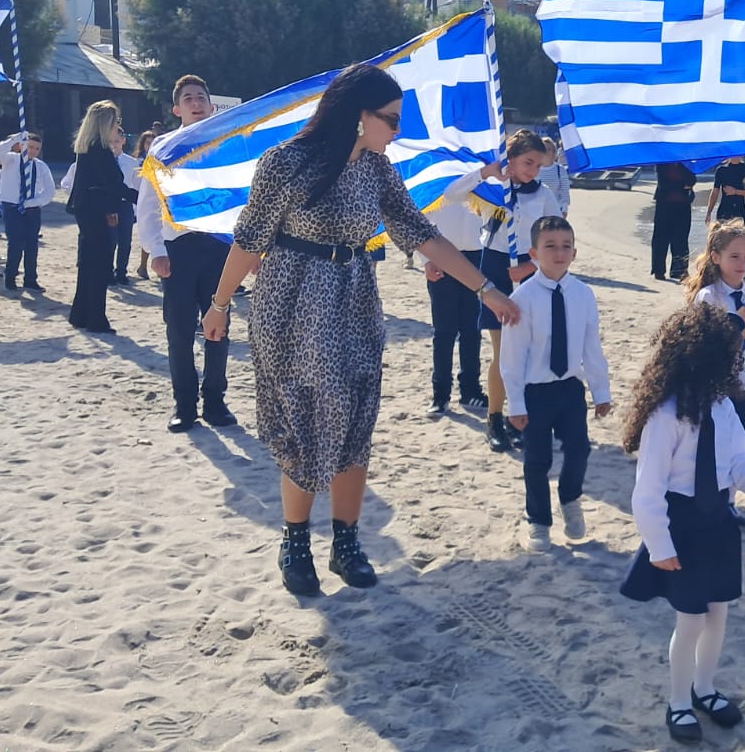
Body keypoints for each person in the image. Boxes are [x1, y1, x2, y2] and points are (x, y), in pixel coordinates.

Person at [200, 63, 520, 596]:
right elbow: (250, 238)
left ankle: (346, 541)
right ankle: (296, 540)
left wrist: (485, 289)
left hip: (354, 300)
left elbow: (420, 232)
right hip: (292, 303)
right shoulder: (286, 162)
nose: (397, 130)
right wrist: (219, 305)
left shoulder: (377, 169)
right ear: (357, 115)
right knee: (306, 419)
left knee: (355, 418)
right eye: (391, 119)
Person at [619, 304, 745, 743]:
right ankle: (679, 701)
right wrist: (660, 546)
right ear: (702, 356)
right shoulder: (666, 414)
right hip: (681, 525)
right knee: (690, 620)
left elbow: (742, 461)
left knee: (718, 613)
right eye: (730, 355)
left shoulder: (723, 407)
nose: (736, 362)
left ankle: (704, 688)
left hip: (719, 523)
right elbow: (648, 489)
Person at [499, 215, 613, 552]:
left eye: (566, 246)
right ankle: (538, 521)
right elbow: (512, 356)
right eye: (550, 246)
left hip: (570, 388)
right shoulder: (523, 297)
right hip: (535, 391)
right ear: (534, 253)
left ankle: (570, 498)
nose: (559, 253)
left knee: (579, 450)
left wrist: (601, 391)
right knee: (537, 460)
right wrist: (515, 403)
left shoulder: (583, 294)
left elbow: (591, 346)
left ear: (575, 253)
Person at [445, 129, 562, 452]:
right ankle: (495, 420)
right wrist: (486, 172)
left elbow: (559, 240)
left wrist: (531, 266)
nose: (533, 170)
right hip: (495, 268)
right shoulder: (493, 190)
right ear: (510, 159)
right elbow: (451, 194)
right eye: (528, 163)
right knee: (503, 352)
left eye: (538, 165)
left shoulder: (543, 196)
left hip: (530, 271)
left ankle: (520, 418)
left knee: (529, 352)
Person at [138, 76, 237, 432]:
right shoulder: (164, 147)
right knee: (179, 332)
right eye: (188, 98)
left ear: (211, 105)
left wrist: (247, 248)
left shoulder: (226, 144)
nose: (196, 103)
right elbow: (148, 202)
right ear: (177, 109)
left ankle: (215, 401)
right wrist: (156, 249)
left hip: (218, 247)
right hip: (178, 250)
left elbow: (240, 199)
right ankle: (184, 405)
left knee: (218, 327)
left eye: (201, 98)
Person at [682, 218, 745, 453]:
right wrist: (736, 326)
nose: (742, 263)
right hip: (719, 378)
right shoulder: (709, 296)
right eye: (734, 256)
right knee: (719, 437)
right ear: (716, 257)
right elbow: (702, 337)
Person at [419, 160, 489, 417]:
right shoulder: (438, 174)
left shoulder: (483, 176)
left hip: (476, 258)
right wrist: (426, 261)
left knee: (472, 329)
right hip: (441, 257)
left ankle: (470, 389)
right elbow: (421, 220)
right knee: (444, 331)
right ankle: (440, 394)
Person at [66, 101, 135, 333]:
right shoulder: (100, 150)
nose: (118, 125)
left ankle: (81, 314)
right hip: (96, 212)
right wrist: (142, 197)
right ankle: (96, 318)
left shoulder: (87, 147)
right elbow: (114, 185)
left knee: (88, 264)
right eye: (116, 121)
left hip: (88, 210)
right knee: (99, 266)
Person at [0, 130, 54, 293]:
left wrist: (34, 202)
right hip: (12, 207)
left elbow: (49, 190)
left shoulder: (40, 166)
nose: (33, 151)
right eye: (31, 147)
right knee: (15, 243)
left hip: (32, 209)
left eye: (37, 148)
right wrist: (15, 138)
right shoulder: (11, 159)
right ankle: (10, 277)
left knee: (31, 244)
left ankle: (30, 279)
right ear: (22, 146)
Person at [112, 129, 148, 284]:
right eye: (111, 141)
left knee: (125, 240)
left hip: (125, 204)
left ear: (123, 141)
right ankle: (108, 271)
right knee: (109, 239)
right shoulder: (103, 161)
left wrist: (136, 207)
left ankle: (121, 271)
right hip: (109, 203)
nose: (114, 145)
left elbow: (138, 187)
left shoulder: (132, 163)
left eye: (117, 141)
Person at [651, 161, 697, 281]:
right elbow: (664, 184)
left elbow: (692, 180)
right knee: (661, 239)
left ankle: (679, 271)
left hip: (683, 206)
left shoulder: (686, 164)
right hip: (664, 205)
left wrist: (684, 185)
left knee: (681, 239)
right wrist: (683, 186)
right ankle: (659, 270)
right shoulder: (662, 164)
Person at [130, 131, 157, 279]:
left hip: (159, 199)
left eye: (153, 142)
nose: (150, 145)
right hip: (142, 199)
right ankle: (143, 265)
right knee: (147, 231)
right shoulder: (138, 162)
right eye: (147, 142)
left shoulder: (161, 159)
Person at [704, 156, 745, 225]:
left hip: (740, 211)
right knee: (722, 231)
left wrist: (735, 191)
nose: (735, 155)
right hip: (724, 210)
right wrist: (709, 212)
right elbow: (715, 192)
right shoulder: (721, 170)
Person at [539, 136, 572, 216]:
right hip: (537, 210)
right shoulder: (533, 169)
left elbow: (565, 191)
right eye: (543, 149)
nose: (546, 151)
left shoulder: (560, 170)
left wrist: (564, 210)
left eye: (549, 149)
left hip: (555, 210)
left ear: (554, 152)